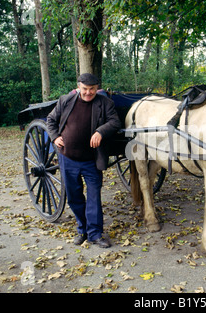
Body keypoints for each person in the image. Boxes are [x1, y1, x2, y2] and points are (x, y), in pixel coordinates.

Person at [47, 73, 121, 248]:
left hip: (91, 160)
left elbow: (115, 122)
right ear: (78, 87)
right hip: (68, 158)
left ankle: (95, 234)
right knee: (74, 197)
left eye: (92, 89)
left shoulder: (105, 103)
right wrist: (55, 137)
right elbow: (51, 120)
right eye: (85, 89)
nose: (88, 93)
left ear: (97, 88)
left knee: (94, 197)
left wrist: (100, 132)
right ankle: (83, 230)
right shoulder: (65, 101)